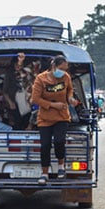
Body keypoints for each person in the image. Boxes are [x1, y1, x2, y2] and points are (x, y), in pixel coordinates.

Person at [30, 55, 77, 185]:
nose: (63, 71)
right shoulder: (41, 79)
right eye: (61, 68)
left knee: (59, 140)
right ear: (53, 66)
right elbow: (35, 99)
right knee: (45, 145)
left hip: (62, 116)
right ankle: (44, 173)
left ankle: (61, 167)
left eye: (65, 69)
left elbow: (70, 90)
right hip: (45, 118)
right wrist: (52, 105)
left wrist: (70, 99)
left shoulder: (65, 77)